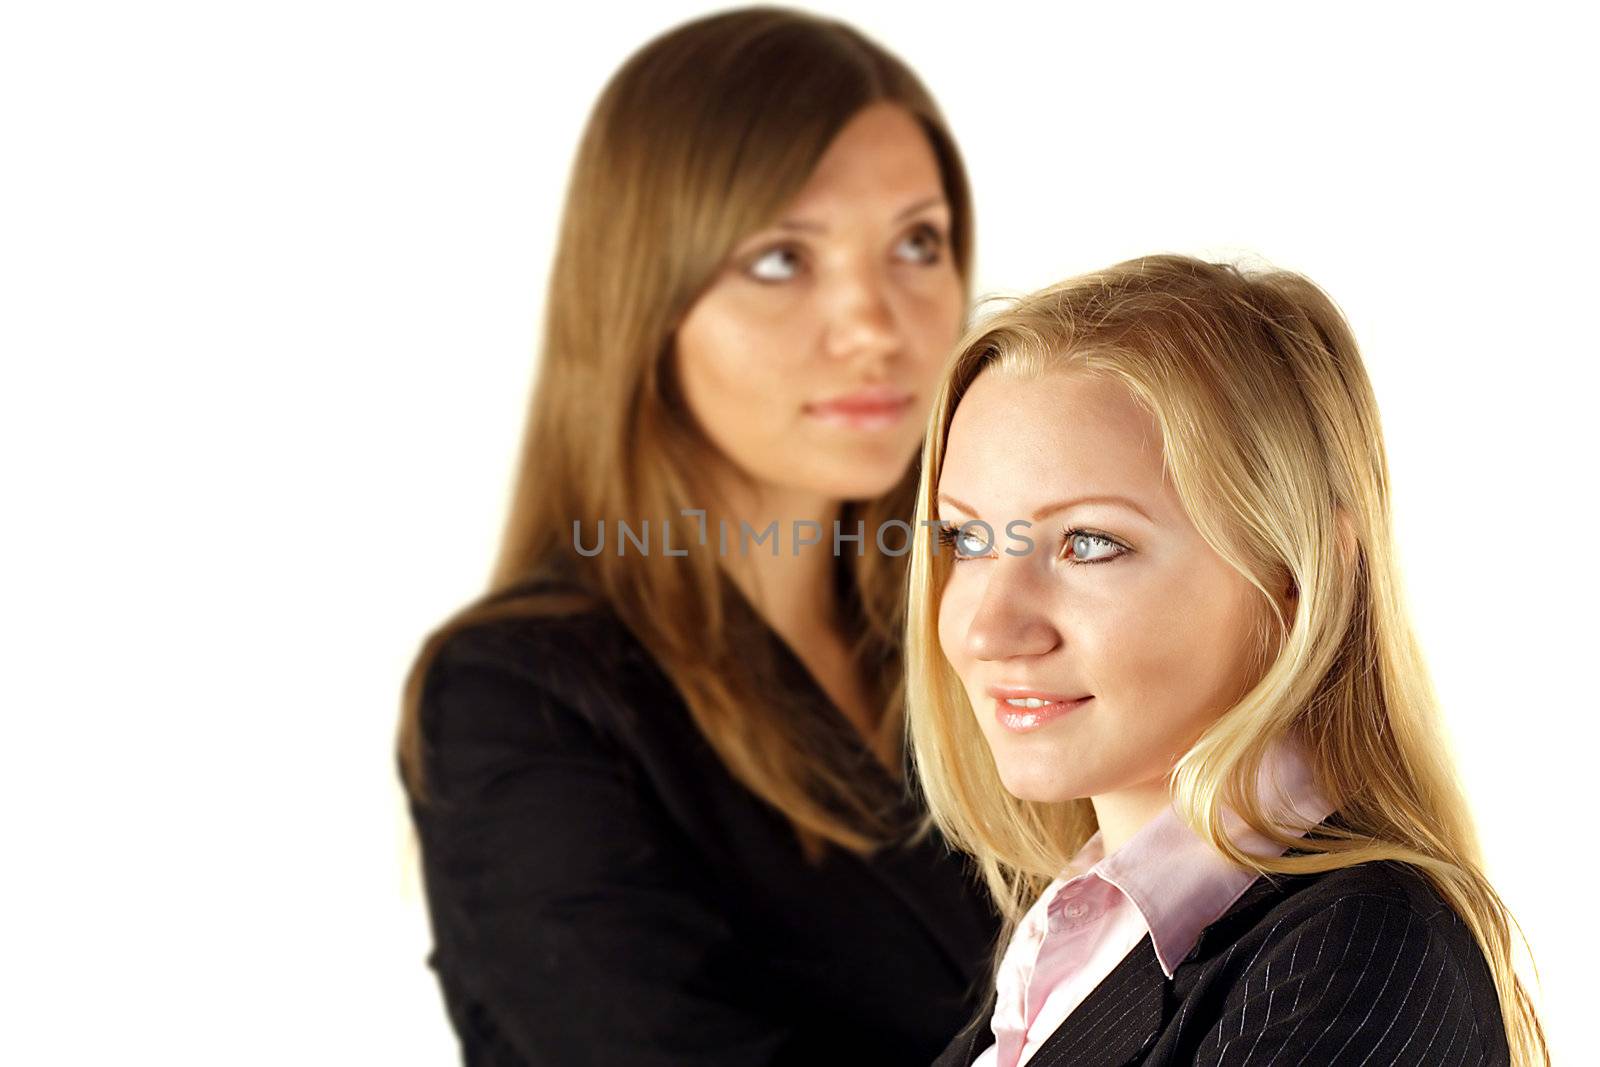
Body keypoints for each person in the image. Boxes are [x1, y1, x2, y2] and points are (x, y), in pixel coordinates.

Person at [395, 8, 1000, 1065]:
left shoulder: (987, 633)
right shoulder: (522, 696)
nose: (874, 322)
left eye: (917, 242)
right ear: (645, 298)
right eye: (779, 258)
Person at [902, 255, 1549, 1065]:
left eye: (1090, 543)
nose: (989, 628)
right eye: (967, 538)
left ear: (1296, 578)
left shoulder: (1362, 954)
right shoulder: (1074, 946)